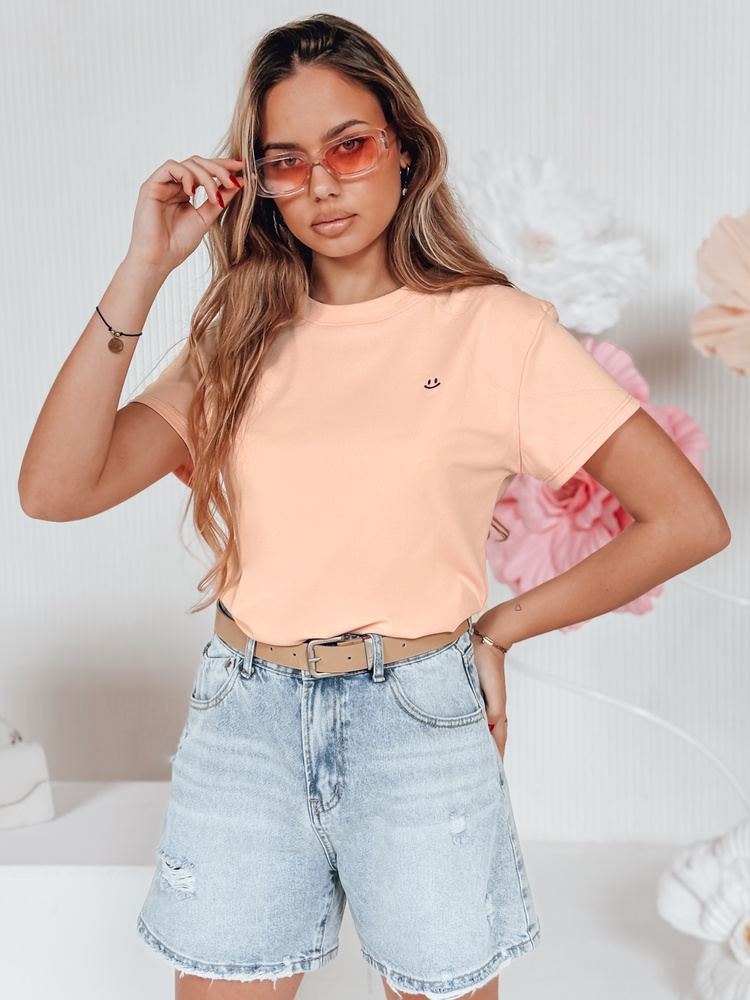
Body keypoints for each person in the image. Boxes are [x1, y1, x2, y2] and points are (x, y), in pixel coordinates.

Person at [18, 13, 730, 1000]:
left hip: (418, 724)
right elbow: (54, 490)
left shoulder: (496, 331)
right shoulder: (237, 338)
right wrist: (146, 266)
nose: (321, 183)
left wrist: (502, 630)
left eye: (349, 145)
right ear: (260, 183)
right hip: (247, 719)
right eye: (286, 160)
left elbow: (689, 519)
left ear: (405, 148)